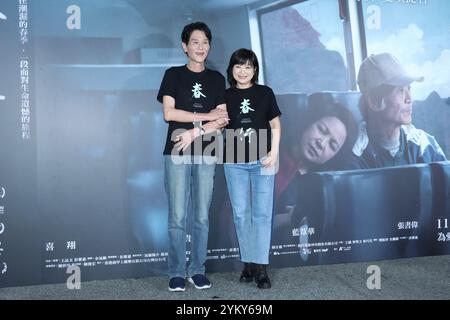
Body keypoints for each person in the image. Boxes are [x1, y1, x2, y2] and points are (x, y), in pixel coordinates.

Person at [156, 21, 229, 292]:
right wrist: (207, 116)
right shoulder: (173, 75)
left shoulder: (216, 78)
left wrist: (192, 132)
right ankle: (176, 272)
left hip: (206, 149)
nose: (201, 47)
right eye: (195, 42)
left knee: (201, 216)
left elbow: (222, 120)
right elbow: (169, 114)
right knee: (177, 216)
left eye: (205, 42)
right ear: (185, 47)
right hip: (176, 150)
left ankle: (197, 270)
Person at [272, 92, 358, 262]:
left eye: (332, 145)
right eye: (322, 130)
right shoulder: (272, 156)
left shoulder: (325, 185)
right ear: (309, 122)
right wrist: (289, 218)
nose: (321, 143)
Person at [222, 48, 281, 289]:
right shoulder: (224, 95)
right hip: (234, 157)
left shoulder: (265, 93)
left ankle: (261, 267)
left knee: (262, 214)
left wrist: (274, 152)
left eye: (248, 66)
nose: (243, 71)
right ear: (232, 70)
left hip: (264, 157)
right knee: (240, 213)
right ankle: (247, 261)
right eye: (238, 66)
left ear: (254, 70)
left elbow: (275, 123)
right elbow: (218, 125)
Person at [341, 52, 447, 170]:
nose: (409, 98)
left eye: (409, 89)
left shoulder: (425, 146)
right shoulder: (354, 155)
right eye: (401, 90)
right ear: (374, 102)